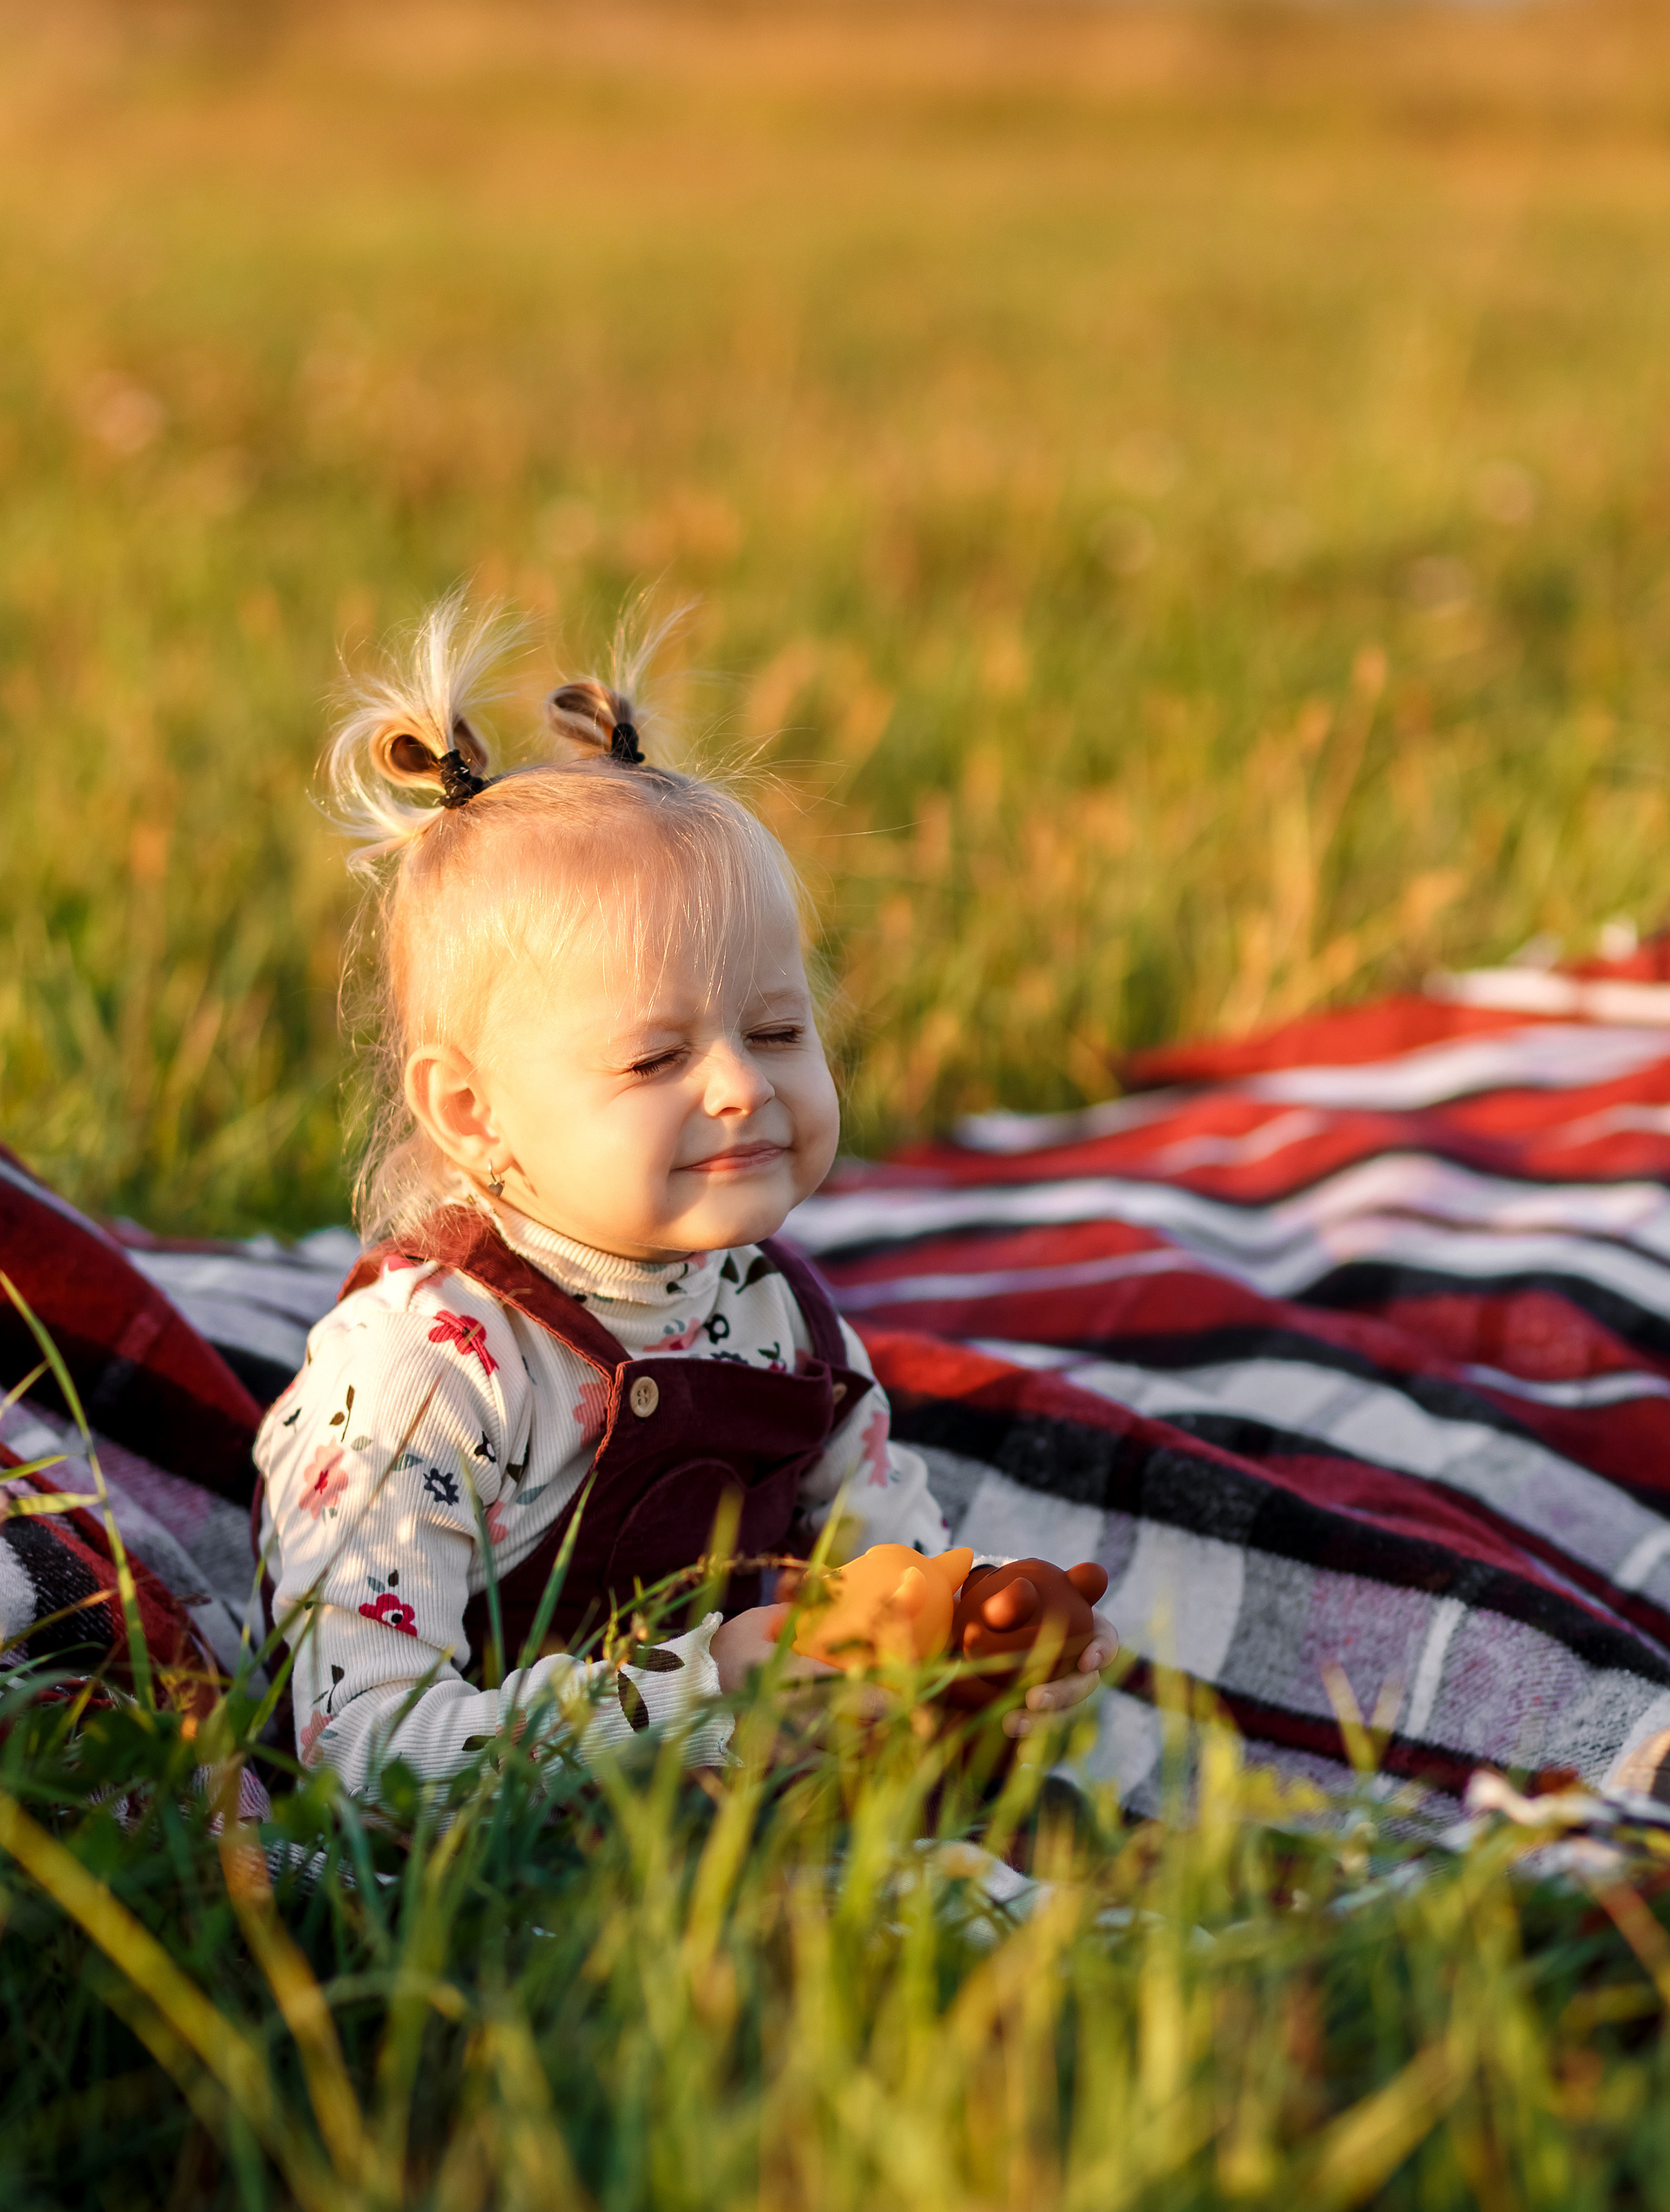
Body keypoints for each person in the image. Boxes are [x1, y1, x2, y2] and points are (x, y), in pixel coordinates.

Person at [253, 595, 1115, 1788]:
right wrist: (703, 1695)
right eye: (657, 1058)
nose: (741, 1087)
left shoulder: (779, 1320)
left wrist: (978, 1644)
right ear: (473, 1111)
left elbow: (893, 1570)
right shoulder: (423, 1377)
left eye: (777, 1032)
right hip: (479, 1868)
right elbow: (360, 1754)